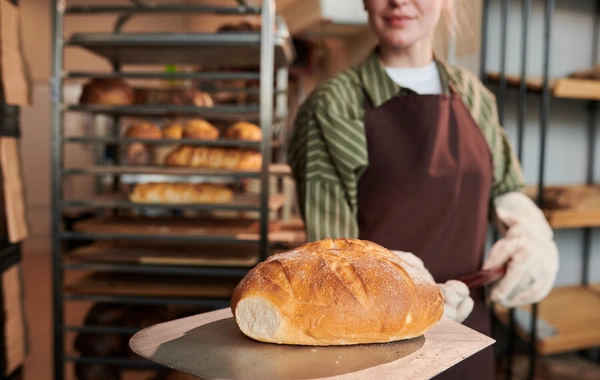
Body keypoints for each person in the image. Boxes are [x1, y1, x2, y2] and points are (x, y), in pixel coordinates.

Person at [288, 0, 559, 378]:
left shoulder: (474, 95)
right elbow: (335, 258)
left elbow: (506, 189)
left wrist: (532, 236)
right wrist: (406, 295)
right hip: (379, 342)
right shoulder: (332, 104)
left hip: (470, 328)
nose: (399, 1)